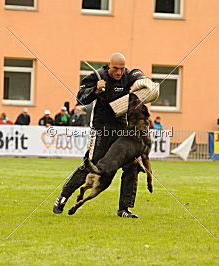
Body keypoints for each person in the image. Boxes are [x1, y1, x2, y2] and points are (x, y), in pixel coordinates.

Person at [53, 52, 151, 218]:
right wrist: (95, 90)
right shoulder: (97, 76)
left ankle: (124, 209)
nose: (119, 72)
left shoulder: (129, 76)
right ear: (109, 65)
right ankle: (62, 197)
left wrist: (145, 82)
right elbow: (81, 98)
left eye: (121, 68)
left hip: (122, 129)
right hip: (101, 129)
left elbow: (139, 76)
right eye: (115, 69)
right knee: (91, 166)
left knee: (132, 166)